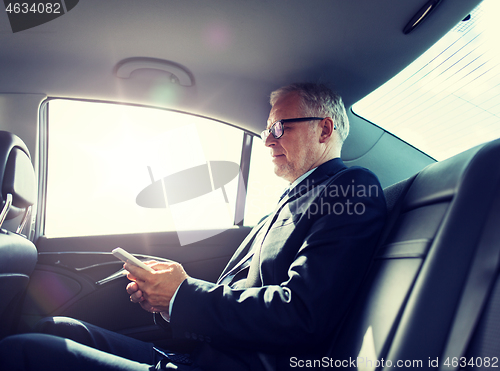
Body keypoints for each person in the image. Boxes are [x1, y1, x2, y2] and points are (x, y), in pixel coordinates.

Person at [0, 83, 387, 371]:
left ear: (324, 129)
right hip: (201, 356)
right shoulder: (288, 200)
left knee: (24, 354)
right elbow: (239, 292)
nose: (268, 141)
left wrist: (183, 295)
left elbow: (303, 316)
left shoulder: (351, 188)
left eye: (280, 127)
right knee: (58, 330)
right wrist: (166, 301)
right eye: (268, 129)